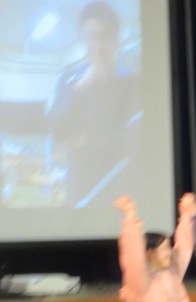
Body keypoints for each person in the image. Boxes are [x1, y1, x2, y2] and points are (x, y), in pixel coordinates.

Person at [49, 1, 140, 207]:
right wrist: (81, 87)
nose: (98, 45)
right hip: (79, 190)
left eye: (104, 36)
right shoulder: (70, 80)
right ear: (84, 38)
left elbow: (136, 139)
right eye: (91, 37)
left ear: (115, 40)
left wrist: (87, 141)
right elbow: (57, 133)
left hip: (120, 190)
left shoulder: (132, 82)